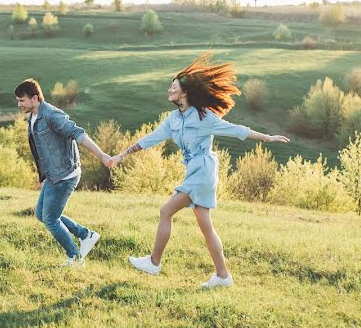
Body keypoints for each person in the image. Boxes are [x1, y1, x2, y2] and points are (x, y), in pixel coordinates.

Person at [108, 55, 289, 288]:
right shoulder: (173, 120)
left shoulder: (204, 117)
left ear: (184, 93)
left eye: (174, 86)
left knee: (166, 211)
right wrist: (122, 154)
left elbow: (236, 130)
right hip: (196, 171)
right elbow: (150, 139)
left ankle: (154, 262)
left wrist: (268, 137)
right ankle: (223, 276)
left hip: (203, 170)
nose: (169, 89)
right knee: (205, 225)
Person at [15, 78, 113, 267]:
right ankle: (86, 235)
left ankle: (75, 258)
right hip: (52, 175)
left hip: (64, 175)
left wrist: (101, 155)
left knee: (50, 220)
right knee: (41, 215)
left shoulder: (51, 114)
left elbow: (78, 133)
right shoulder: (34, 116)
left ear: (34, 98)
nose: (19, 104)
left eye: (22, 100)